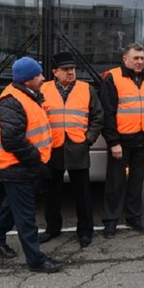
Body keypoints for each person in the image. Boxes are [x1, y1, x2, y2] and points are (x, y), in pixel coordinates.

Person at [0, 56, 63, 273]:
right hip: (17, 167)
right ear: (27, 79)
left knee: (12, 206)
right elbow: (12, 140)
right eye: (38, 74)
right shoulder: (12, 101)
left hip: (21, 166)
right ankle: (36, 260)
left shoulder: (27, 96)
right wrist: (37, 159)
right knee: (26, 217)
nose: (43, 78)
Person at [38, 51, 104, 248]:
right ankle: (52, 229)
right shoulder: (43, 89)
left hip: (78, 147)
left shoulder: (86, 89)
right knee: (53, 193)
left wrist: (88, 139)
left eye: (73, 69)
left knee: (83, 193)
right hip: (53, 147)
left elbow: (98, 117)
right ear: (55, 72)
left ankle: (85, 231)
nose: (70, 73)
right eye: (65, 70)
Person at [101, 43, 144, 238]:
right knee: (115, 182)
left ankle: (134, 217)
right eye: (135, 58)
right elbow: (107, 114)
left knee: (136, 181)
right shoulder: (113, 78)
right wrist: (113, 142)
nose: (139, 62)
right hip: (121, 141)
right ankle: (111, 220)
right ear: (125, 59)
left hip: (141, 139)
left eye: (142, 58)